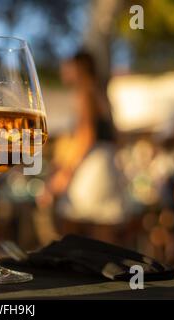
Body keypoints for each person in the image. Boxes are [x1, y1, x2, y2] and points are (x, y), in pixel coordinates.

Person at [37, 51, 129, 244]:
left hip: (91, 166)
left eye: (67, 65)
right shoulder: (99, 93)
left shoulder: (85, 92)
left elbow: (86, 135)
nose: (63, 70)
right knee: (102, 227)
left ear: (79, 68)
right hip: (105, 163)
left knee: (75, 225)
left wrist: (65, 172)